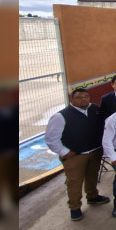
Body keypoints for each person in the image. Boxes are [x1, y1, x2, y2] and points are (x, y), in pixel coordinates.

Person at [44, 88, 109, 221]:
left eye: (86, 96)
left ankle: (92, 196)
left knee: (92, 176)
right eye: (79, 97)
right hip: (75, 156)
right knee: (75, 182)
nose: (83, 99)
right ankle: (74, 207)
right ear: (71, 99)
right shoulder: (61, 116)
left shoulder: (94, 109)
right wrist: (64, 152)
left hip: (95, 150)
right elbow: (51, 139)